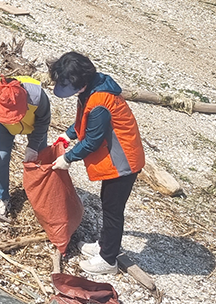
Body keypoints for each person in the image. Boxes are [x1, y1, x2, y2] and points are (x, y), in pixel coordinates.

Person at [49, 51, 145, 275]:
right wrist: (68, 134)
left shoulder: (100, 101)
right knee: (107, 204)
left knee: (113, 210)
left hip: (123, 164)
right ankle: (104, 245)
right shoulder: (92, 87)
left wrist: (68, 158)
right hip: (119, 159)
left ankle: (108, 260)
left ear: (80, 80)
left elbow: (92, 140)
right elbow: (85, 121)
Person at [0, 75, 51, 216]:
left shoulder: (37, 96)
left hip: (34, 126)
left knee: (41, 159)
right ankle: (2, 199)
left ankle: (40, 195)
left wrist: (33, 145)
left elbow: (44, 121)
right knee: (1, 158)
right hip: (4, 127)